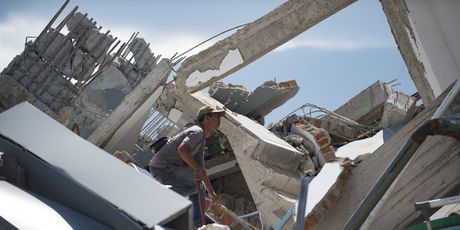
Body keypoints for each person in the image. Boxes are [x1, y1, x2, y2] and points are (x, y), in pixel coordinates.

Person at [149, 105, 224, 225]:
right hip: (163, 168)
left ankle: (195, 220)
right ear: (206, 118)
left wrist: (211, 191)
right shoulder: (197, 132)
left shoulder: (201, 138)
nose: (219, 120)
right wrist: (196, 170)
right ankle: (195, 220)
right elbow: (182, 150)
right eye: (217, 117)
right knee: (197, 185)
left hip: (164, 169)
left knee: (199, 186)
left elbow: (201, 167)